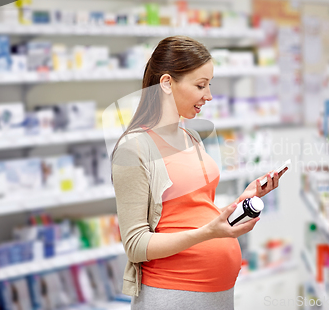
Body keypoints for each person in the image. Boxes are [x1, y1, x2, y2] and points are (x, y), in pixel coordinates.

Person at [110, 36, 287, 310]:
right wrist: (206, 234)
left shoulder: (189, 136)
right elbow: (136, 244)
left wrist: (243, 199)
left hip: (217, 294)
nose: (209, 96)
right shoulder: (134, 148)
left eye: (209, 85)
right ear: (167, 83)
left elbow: (193, 211)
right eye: (200, 86)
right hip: (173, 294)